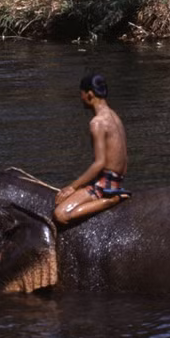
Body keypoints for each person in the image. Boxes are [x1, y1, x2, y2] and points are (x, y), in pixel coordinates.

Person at [53, 73, 130, 226]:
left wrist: (72, 187)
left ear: (89, 94)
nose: (80, 98)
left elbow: (99, 163)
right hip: (117, 180)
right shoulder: (114, 116)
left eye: (80, 93)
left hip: (105, 184)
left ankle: (109, 201)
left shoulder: (97, 123)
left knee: (60, 214)